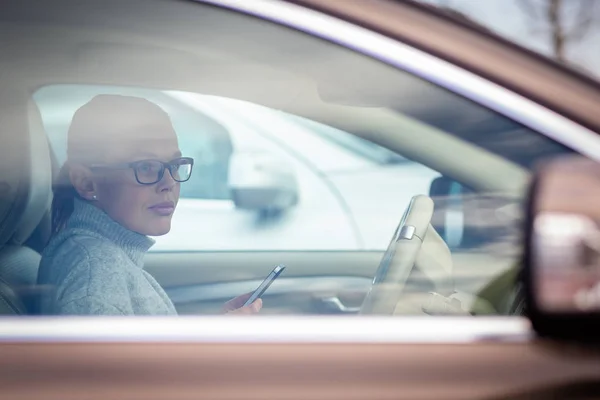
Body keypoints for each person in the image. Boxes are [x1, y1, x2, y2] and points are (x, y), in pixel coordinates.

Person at [38, 94, 261, 315]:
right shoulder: (96, 277)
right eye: (145, 167)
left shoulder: (97, 258)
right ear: (86, 183)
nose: (170, 182)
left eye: (174, 164)